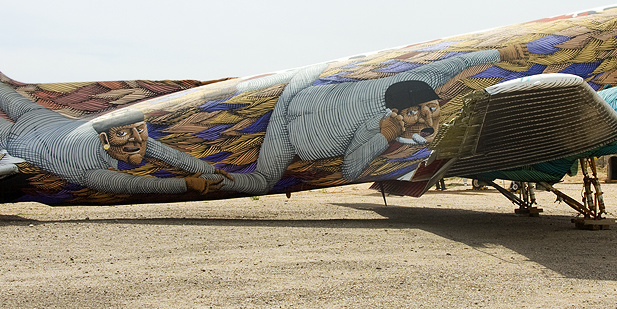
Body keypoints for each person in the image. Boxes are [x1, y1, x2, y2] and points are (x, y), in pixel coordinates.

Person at [0, 4, 224, 196]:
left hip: (33, 122)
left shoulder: (121, 136)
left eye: (139, 132)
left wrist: (210, 171)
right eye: (126, 133)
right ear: (108, 140)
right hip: (24, 129)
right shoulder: (94, 172)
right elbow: (137, 183)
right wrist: (185, 183)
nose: (137, 140)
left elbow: (167, 155)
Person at [222, 44, 525, 194]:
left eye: (430, 110)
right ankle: (233, 89)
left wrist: (502, 52)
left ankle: (199, 180)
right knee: (261, 178)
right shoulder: (383, 125)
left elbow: (459, 62)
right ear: (398, 113)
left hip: (291, 120)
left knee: (260, 180)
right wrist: (384, 136)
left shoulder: (415, 87)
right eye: (420, 112)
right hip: (291, 106)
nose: (426, 117)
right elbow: (351, 168)